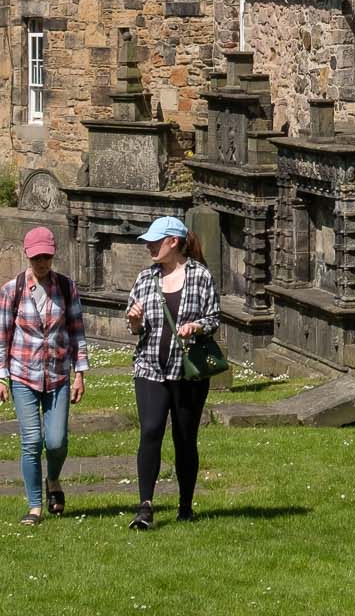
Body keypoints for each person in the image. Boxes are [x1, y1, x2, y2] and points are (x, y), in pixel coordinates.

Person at [125, 214, 219, 529]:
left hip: (187, 373)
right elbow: (134, 327)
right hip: (150, 367)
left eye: (155, 241)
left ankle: (185, 504)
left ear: (173, 242)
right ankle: (145, 507)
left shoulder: (200, 276)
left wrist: (196, 326)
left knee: (184, 438)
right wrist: (135, 321)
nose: (149, 246)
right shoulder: (145, 278)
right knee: (150, 431)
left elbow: (214, 318)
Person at [0, 225, 85, 527]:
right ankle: (34, 506)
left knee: (56, 442)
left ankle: (53, 480)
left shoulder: (67, 288)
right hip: (23, 375)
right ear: (27, 256)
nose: (41, 263)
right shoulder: (12, 289)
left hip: (57, 375)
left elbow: (76, 333)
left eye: (46, 257)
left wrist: (80, 373)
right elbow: (2, 336)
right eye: (36, 258)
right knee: (32, 441)